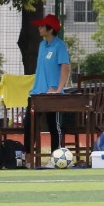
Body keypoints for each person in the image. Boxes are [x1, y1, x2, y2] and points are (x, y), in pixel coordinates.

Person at [29, 13, 72, 154]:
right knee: (29, 124)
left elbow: (65, 67)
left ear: (51, 29)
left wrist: (59, 89)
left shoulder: (60, 46)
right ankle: (27, 156)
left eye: (42, 26)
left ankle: (57, 155)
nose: (39, 28)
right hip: (37, 93)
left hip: (52, 94)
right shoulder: (42, 45)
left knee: (54, 125)